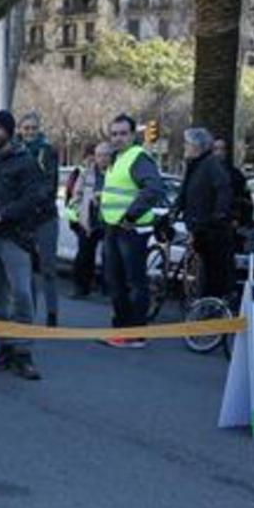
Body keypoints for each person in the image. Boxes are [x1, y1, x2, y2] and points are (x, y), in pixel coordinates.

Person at [0, 110, 48, 379]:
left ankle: (24, 354)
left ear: (9, 132)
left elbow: (35, 198)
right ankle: (5, 350)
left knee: (22, 296)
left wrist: (3, 214)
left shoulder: (24, 162)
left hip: (14, 239)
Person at [100, 114, 166, 348]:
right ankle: (121, 330)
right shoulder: (117, 158)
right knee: (115, 281)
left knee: (133, 282)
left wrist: (131, 215)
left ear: (132, 135)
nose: (118, 138)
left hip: (131, 229)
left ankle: (135, 333)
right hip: (114, 228)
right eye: (114, 134)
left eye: (123, 133)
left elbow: (154, 188)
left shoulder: (137, 158)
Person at [175, 128, 234, 302]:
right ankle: (203, 306)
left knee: (212, 274)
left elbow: (223, 189)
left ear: (197, 146)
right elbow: (184, 193)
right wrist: (174, 212)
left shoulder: (210, 165)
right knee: (205, 272)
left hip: (211, 229)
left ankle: (209, 309)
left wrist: (219, 215)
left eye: (188, 144)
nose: (185, 147)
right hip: (199, 225)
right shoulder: (194, 165)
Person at [17, 112, 61, 326]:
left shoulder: (48, 151)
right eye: (26, 128)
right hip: (24, 220)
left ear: (39, 129)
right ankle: (29, 315)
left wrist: (32, 202)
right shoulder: (16, 152)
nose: (30, 132)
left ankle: (52, 314)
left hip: (45, 217)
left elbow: (49, 184)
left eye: (33, 128)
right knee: (27, 269)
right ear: (20, 130)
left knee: (48, 268)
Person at [69, 142, 111, 298]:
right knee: (84, 255)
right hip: (89, 220)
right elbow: (77, 195)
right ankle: (81, 287)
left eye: (106, 155)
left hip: (110, 221)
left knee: (110, 257)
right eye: (99, 155)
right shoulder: (87, 173)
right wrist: (80, 213)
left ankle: (108, 289)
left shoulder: (116, 173)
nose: (103, 158)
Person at [211, 138, 254, 229]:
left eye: (222, 149)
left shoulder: (236, 175)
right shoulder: (205, 174)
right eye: (216, 149)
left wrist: (238, 219)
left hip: (230, 224)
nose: (219, 153)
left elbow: (246, 200)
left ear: (226, 152)